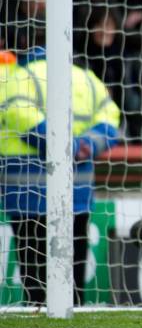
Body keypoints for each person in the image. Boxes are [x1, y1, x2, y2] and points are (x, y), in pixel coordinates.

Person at [0, 47, 120, 306]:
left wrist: (61, 144)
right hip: (76, 191)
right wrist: (83, 146)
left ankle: (40, 325)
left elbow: (20, 115)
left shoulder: (21, 75)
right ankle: (72, 324)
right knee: (73, 266)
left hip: (27, 193)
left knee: (34, 272)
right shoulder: (87, 78)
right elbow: (111, 121)